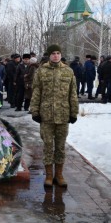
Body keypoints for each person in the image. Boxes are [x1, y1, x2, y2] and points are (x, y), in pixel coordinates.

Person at [31, 44, 79, 188]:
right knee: (47, 146)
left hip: (63, 115)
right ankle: (49, 176)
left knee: (60, 147)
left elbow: (73, 93)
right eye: (53, 53)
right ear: (49, 55)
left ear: (60, 55)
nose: (56, 56)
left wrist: (73, 112)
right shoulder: (41, 71)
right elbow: (36, 91)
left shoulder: (68, 71)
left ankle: (59, 175)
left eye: (58, 53)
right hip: (46, 116)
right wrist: (35, 111)